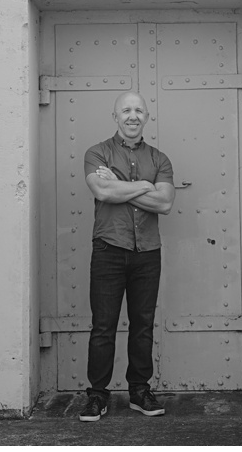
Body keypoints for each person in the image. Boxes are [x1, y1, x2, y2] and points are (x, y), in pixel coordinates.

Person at [78, 92, 176, 422]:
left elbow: (165, 203)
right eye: (126, 110)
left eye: (138, 110)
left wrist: (124, 184)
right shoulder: (97, 152)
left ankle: (139, 392)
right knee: (103, 326)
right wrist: (147, 186)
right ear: (115, 116)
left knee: (143, 326)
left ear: (147, 116)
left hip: (147, 252)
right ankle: (97, 395)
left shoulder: (160, 159)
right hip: (108, 249)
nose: (132, 116)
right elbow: (103, 191)